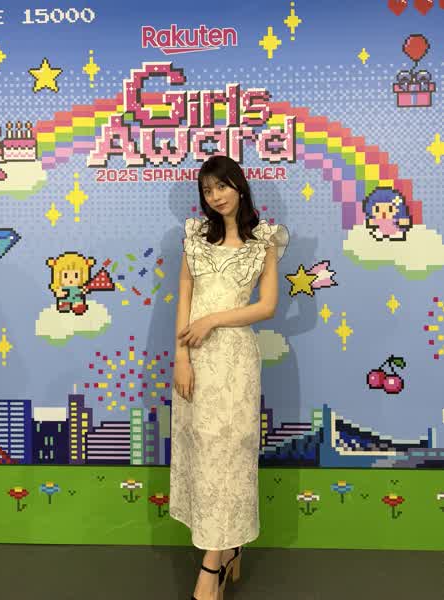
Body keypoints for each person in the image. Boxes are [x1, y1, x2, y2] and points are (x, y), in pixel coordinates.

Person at [169, 155, 289, 600]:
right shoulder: (195, 238)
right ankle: (227, 550)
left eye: (222, 186)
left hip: (236, 361)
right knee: (203, 454)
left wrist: (213, 319)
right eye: (207, 190)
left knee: (230, 455)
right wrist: (181, 356)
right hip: (197, 360)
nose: (215, 196)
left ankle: (211, 565)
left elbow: (267, 307)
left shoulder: (264, 242)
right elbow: (184, 295)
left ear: (239, 186)